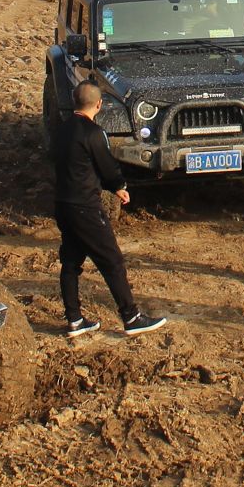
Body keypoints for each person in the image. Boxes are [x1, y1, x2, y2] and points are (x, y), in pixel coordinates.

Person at [52, 81, 166, 337]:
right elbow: (106, 165)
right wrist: (119, 186)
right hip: (85, 206)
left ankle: (74, 319)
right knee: (112, 260)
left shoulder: (60, 130)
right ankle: (131, 316)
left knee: (70, 262)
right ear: (99, 105)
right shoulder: (93, 133)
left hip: (63, 203)